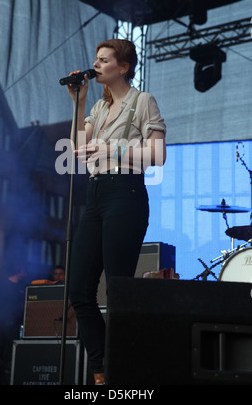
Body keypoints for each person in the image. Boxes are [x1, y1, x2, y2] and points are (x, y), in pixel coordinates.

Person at [66, 38, 166, 385]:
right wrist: (79, 105)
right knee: (78, 289)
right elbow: (78, 150)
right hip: (96, 194)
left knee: (118, 289)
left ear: (122, 67)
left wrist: (110, 148)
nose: (97, 64)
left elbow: (157, 155)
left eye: (104, 59)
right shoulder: (98, 107)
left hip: (126, 193)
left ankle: (121, 370)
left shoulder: (142, 102)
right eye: (96, 59)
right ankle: (102, 369)